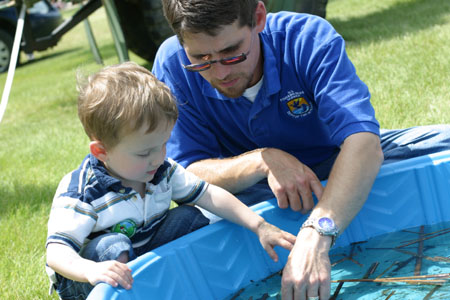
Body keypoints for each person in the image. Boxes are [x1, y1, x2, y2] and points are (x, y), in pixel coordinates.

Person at [152, 1, 450, 299]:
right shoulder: (172, 64)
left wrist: (318, 233)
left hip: (337, 161)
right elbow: (184, 175)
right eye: (201, 59)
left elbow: (363, 144)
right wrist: (261, 161)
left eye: (232, 53)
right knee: (170, 231)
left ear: (258, 18)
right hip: (256, 191)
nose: (219, 73)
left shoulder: (307, 38)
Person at [45, 62, 296, 300]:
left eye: (163, 145)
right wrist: (90, 271)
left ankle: (189, 284)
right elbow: (57, 253)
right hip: (92, 277)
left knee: (190, 216)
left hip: (145, 253)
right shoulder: (83, 192)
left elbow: (209, 195)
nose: (158, 158)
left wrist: (260, 225)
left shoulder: (161, 170)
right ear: (101, 152)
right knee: (113, 244)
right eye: (144, 153)